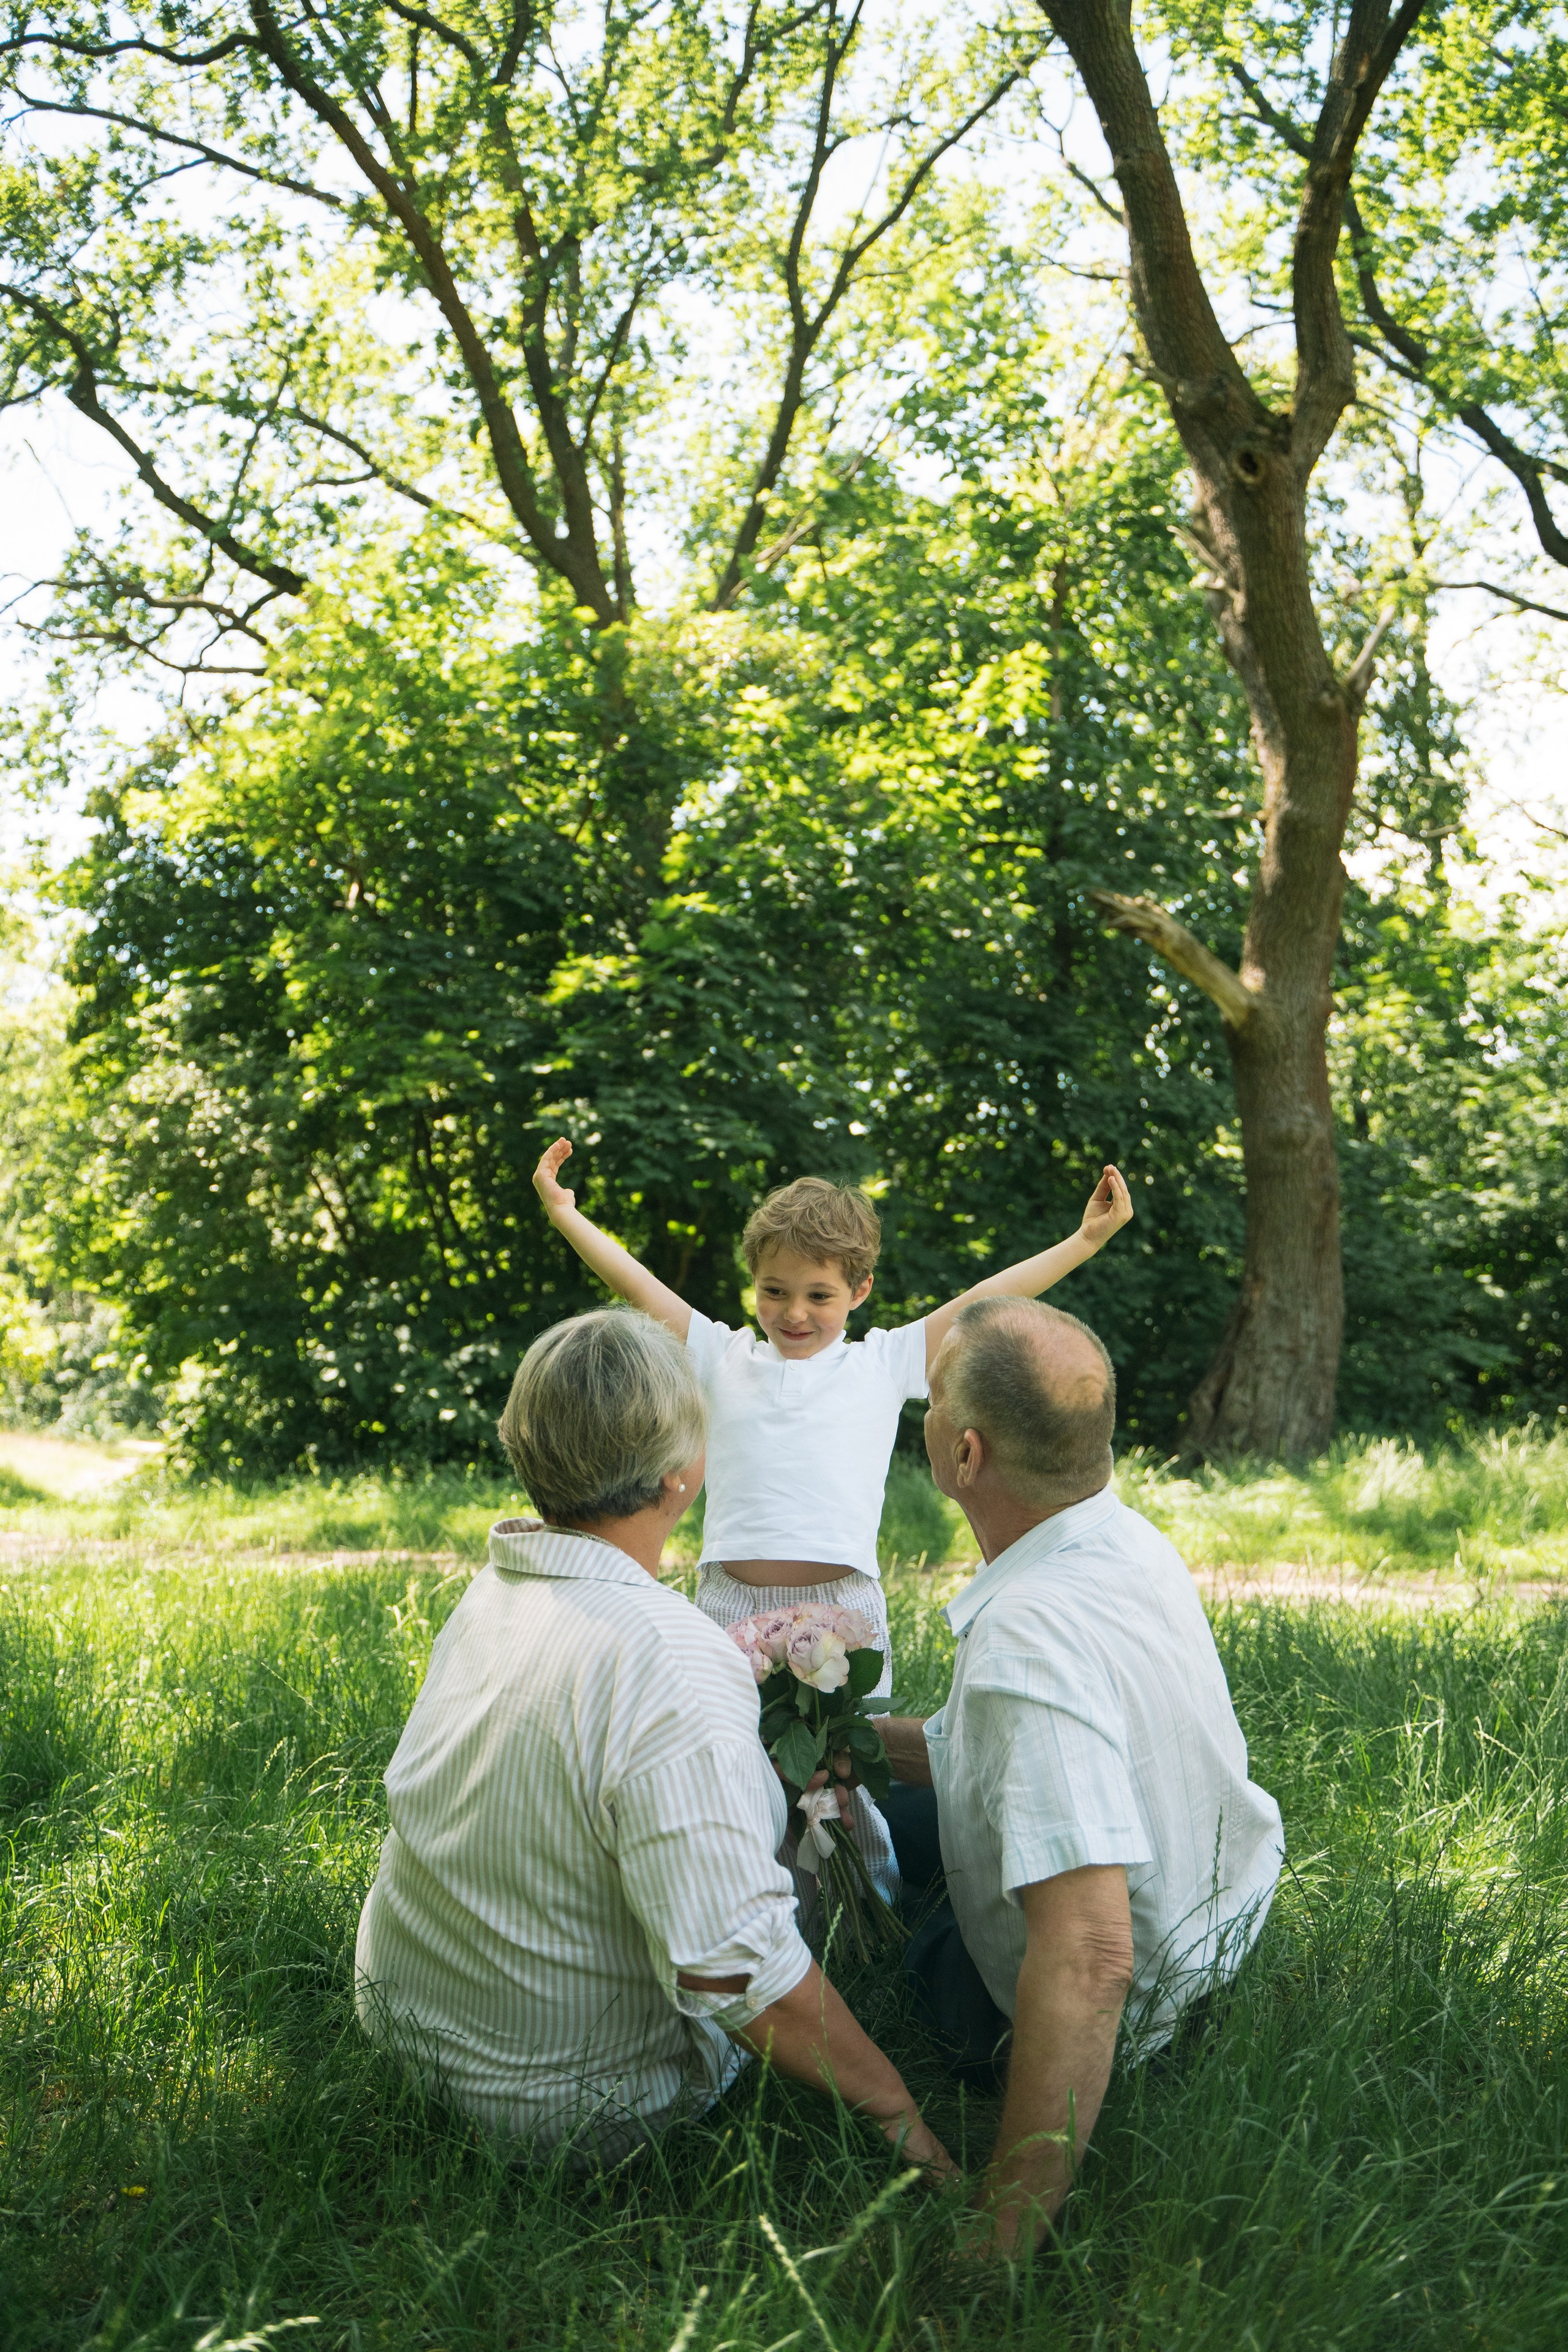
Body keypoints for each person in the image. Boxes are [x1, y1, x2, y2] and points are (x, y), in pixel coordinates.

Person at [355, 1308, 952, 2176]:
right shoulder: (672, 1656)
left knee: (883, 1801)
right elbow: (735, 1967)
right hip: (569, 2099)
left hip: (410, 2027)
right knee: (899, 1836)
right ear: (682, 1475)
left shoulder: (492, 1592)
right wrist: (906, 2118)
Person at [531, 1140, 1134, 1887]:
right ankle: (743, 1906)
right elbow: (638, 1285)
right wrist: (566, 1216)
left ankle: (859, 1925)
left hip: (843, 1610)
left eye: (817, 1294)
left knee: (842, 1782)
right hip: (730, 1606)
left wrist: (1083, 1241)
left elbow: (987, 1305)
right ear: (751, 1286)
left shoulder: (883, 1364)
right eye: (773, 1292)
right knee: (731, 1772)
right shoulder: (722, 1357)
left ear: (859, 1290)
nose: (793, 1312)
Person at [879, 1296, 1284, 2255]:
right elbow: (987, 1751)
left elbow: (1094, 1956)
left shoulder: (1029, 1633)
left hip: (1136, 1994)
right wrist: (821, 1737)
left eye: (932, 1400)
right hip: (1215, 1915)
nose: (923, 1416)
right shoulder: (1123, 1537)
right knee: (884, 1802)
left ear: (966, 1454)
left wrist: (1002, 2235)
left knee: (918, 1961)